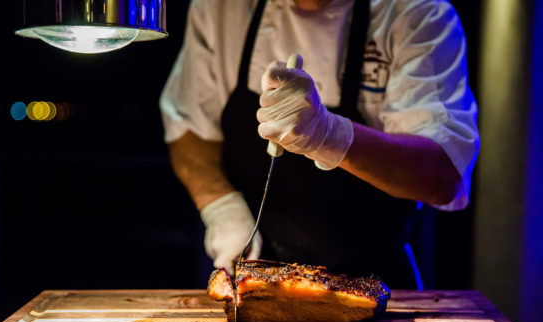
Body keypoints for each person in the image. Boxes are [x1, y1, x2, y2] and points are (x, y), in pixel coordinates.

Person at [160, 0, 479, 288]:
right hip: (248, 271)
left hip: (377, 287)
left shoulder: (416, 13)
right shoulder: (222, 8)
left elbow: (443, 174)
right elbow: (189, 129)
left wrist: (330, 135)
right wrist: (222, 210)